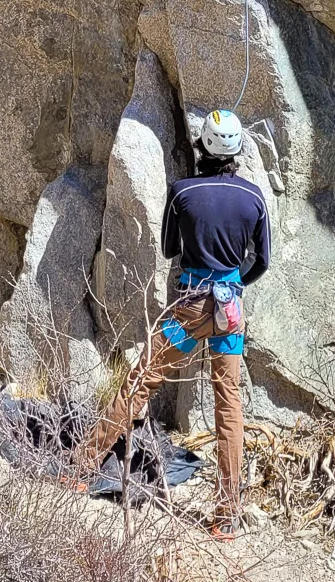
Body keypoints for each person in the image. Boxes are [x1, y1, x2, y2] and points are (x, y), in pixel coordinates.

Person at [88, 107, 271, 538]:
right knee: (229, 406)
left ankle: (80, 467)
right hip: (229, 314)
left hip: (188, 308)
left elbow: (171, 247)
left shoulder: (182, 192)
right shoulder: (254, 198)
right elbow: (261, 261)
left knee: (141, 381)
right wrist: (232, 284)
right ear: (238, 153)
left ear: (202, 147)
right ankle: (226, 514)